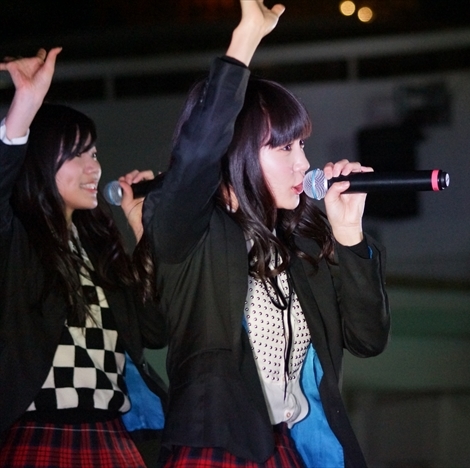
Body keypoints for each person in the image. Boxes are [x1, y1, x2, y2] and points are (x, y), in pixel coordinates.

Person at [142, 1, 390, 467]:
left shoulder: (302, 243)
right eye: (283, 147)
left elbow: (368, 339)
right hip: (219, 449)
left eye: (302, 145)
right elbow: (196, 157)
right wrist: (246, 40)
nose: (303, 163)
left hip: (290, 448)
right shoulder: (191, 231)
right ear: (233, 151)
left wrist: (348, 233)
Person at [0, 48, 168, 467]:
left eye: (93, 154)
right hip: (40, 435)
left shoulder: (98, 247)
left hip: (111, 436)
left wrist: (142, 229)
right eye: (77, 154)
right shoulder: (17, 239)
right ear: (41, 160)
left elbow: (154, 330)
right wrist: (25, 105)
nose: (94, 168)